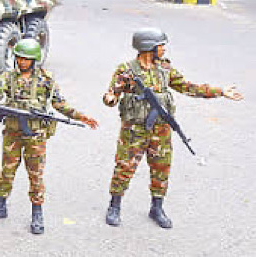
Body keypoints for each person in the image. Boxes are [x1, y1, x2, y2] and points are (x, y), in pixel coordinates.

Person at [103, 27, 243, 228]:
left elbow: (189, 87)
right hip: (134, 131)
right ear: (148, 47)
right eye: (161, 46)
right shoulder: (127, 70)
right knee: (125, 167)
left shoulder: (165, 69)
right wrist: (110, 99)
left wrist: (220, 91)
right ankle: (114, 205)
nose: (164, 50)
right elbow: (112, 94)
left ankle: (157, 207)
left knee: (161, 168)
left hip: (161, 130)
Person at [0, 38, 98, 234]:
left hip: (36, 135)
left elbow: (59, 104)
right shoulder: (9, 76)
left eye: (26, 59)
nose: (22, 62)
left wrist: (81, 116)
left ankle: (37, 212)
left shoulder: (46, 79)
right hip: (12, 133)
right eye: (19, 58)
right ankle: (0, 206)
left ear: (34, 60)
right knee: (7, 170)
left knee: (35, 175)